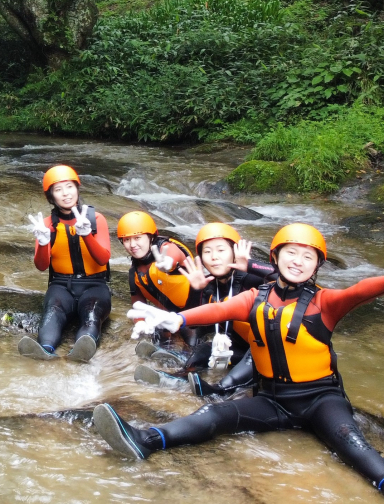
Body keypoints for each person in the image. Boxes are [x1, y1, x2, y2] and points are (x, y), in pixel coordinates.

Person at [93, 225, 384, 504]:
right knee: (214, 416)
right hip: (272, 400)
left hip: (321, 398)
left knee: (350, 441)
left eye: (307, 256)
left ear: (317, 265)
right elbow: (217, 310)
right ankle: (146, 440)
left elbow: (359, 290)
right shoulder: (253, 297)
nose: (298, 261)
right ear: (275, 257)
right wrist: (177, 320)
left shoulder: (325, 302)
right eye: (291, 253)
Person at [134, 222, 274, 394]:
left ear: (234, 252)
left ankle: (218, 390)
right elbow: (194, 326)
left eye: (221, 250)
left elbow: (286, 276)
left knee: (248, 362)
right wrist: (196, 289)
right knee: (201, 352)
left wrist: (251, 265)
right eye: (207, 252)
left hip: (264, 348)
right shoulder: (208, 284)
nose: (214, 257)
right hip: (235, 345)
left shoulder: (253, 278)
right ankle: (179, 377)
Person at [18, 165, 112, 362]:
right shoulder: (46, 225)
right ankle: (45, 349)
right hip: (61, 285)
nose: (65, 194)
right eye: (58, 190)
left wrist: (86, 235)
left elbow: (103, 259)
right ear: (51, 196)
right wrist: (43, 243)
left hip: (95, 285)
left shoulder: (96, 219)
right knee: (52, 311)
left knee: (91, 315)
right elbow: (41, 266)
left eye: (69, 187)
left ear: (77, 189)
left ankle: (82, 348)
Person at [118, 210, 199, 364]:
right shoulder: (134, 272)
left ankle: (187, 365)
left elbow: (175, 254)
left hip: (194, 315)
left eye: (137, 238)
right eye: (127, 239)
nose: (132, 245)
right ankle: (164, 361)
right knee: (158, 336)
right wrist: (140, 322)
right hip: (168, 318)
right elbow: (137, 302)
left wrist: (168, 262)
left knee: (193, 347)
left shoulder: (166, 248)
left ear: (150, 237)